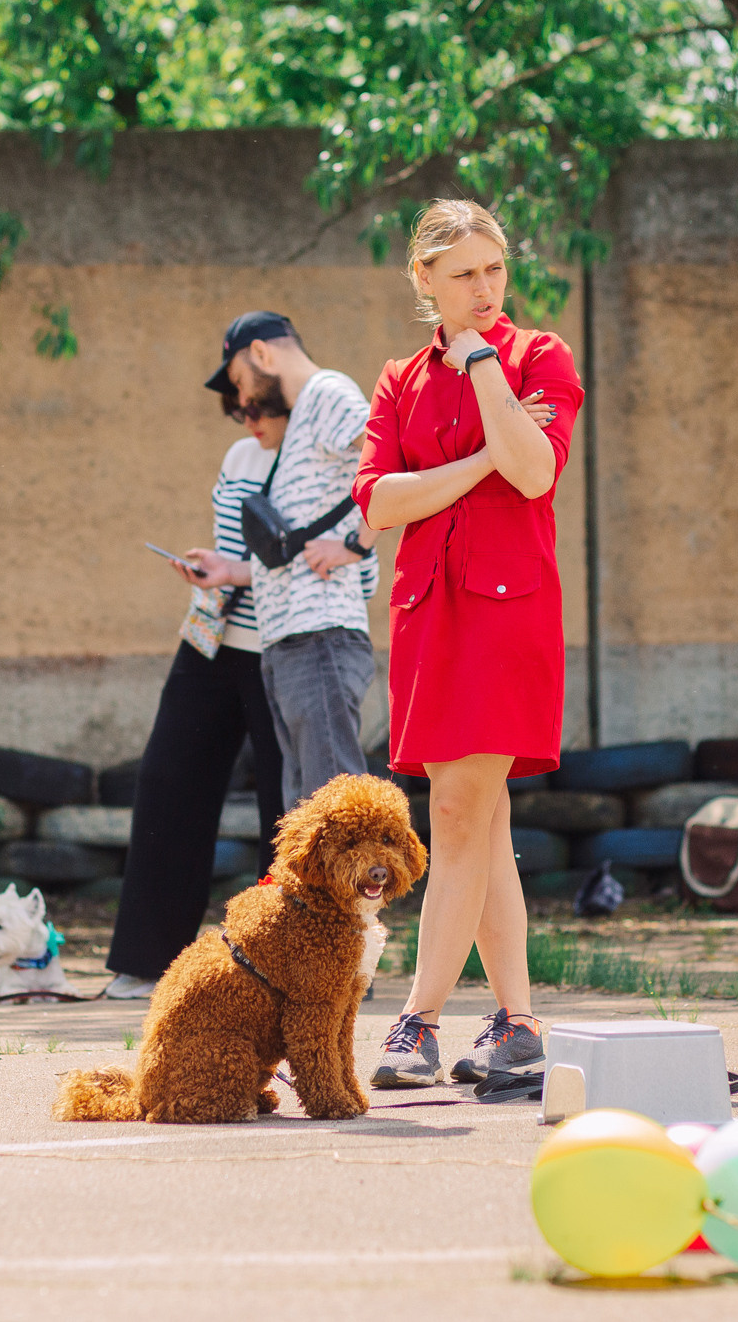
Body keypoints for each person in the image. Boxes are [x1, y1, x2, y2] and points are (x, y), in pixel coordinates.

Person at [352, 200, 579, 1087]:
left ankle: (418, 1020)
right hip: (428, 617)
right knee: (481, 826)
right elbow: (376, 505)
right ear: (424, 282)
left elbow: (534, 469)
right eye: (463, 276)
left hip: (505, 615)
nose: (485, 289)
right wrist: (476, 461)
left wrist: (483, 363)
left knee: (454, 817)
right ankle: (518, 1021)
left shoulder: (537, 356)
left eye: (495, 269)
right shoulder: (397, 379)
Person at [100, 343, 296, 1000]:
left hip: (286, 642)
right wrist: (211, 565)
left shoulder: (319, 451)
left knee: (288, 804)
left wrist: (242, 570)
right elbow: (242, 552)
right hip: (215, 638)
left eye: (252, 400)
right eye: (235, 406)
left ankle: (298, 963)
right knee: (167, 779)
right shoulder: (239, 457)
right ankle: (149, 960)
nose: (245, 415)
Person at [213, 312, 384, 808]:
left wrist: (357, 545)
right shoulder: (304, 418)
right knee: (307, 813)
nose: (244, 401)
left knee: (334, 813)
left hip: (320, 637)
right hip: (291, 642)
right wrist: (232, 571)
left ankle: (356, 893)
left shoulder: (327, 393)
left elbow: (390, 456)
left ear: (263, 354)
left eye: (242, 382)